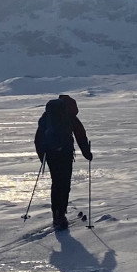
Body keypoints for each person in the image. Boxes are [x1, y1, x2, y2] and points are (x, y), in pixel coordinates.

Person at [33, 95, 93, 231]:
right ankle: (61, 213)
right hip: (65, 154)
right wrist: (87, 153)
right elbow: (80, 135)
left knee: (56, 183)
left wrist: (42, 156)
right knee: (64, 183)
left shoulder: (46, 117)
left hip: (51, 155)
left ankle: (56, 214)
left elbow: (38, 138)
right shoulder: (69, 116)